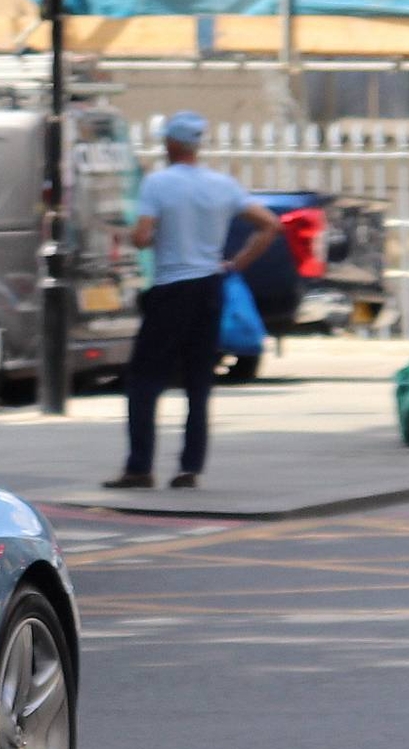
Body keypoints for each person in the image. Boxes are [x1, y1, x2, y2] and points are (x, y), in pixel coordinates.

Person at [105, 111, 281, 491]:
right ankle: (189, 469)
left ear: (169, 144)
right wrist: (234, 264)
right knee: (199, 382)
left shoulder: (158, 183)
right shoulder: (223, 185)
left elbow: (141, 236)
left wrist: (136, 235)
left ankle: (139, 467)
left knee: (144, 381)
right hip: (210, 289)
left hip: (170, 289)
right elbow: (270, 224)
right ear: (196, 145)